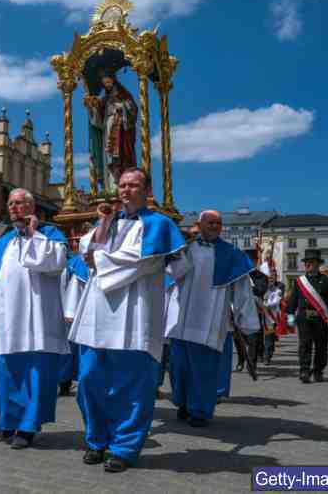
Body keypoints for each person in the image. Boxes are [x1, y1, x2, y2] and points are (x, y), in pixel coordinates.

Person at [68, 168, 185, 472]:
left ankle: (125, 447)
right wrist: (105, 222)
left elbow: (144, 261)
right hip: (98, 314)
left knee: (133, 386)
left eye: (133, 185)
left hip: (135, 315)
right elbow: (86, 250)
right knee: (90, 380)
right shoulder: (108, 223)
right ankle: (97, 440)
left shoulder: (159, 224)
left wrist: (101, 259)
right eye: (122, 185)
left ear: (147, 191)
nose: (125, 190)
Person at [0, 188, 70, 450]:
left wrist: (33, 235)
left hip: (39, 321)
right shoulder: (2, 242)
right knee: (5, 374)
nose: (14, 208)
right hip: (10, 321)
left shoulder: (51, 235)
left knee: (35, 374)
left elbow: (52, 264)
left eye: (20, 203)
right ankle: (8, 420)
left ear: (32, 207)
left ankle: (28, 426)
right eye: (11, 204)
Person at [164, 210, 260, 428]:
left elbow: (243, 291)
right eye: (211, 222)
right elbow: (171, 275)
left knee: (203, 370)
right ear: (200, 224)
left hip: (209, 321)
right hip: (180, 319)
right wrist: (176, 250)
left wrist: (248, 322)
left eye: (218, 223)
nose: (215, 226)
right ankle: (183, 403)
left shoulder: (232, 254)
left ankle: (200, 411)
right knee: (179, 368)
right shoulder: (185, 248)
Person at [286, 250, 328, 383]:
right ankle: (304, 370)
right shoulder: (300, 282)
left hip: (320, 318)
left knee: (321, 346)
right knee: (304, 344)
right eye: (306, 262)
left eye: (311, 262)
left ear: (318, 264)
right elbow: (293, 298)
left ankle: (318, 371)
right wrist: (289, 313)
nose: (308, 265)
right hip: (304, 317)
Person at [83, 71, 138, 194]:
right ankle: (111, 187)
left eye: (108, 82)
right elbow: (98, 120)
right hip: (108, 128)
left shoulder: (124, 95)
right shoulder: (105, 99)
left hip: (120, 130)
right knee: (108, 157)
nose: (106, 85)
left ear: (113, 81)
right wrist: (93, 107)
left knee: (118, 157)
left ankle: (121, 183)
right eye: (104, 83)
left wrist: (121, 107)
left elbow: (133, 109)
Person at [58, 254, 89, 396]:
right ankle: (65, 382)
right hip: (75, 311)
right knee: (69, 349)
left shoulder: (74, 262)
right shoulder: (77, 263)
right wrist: (69, 311)